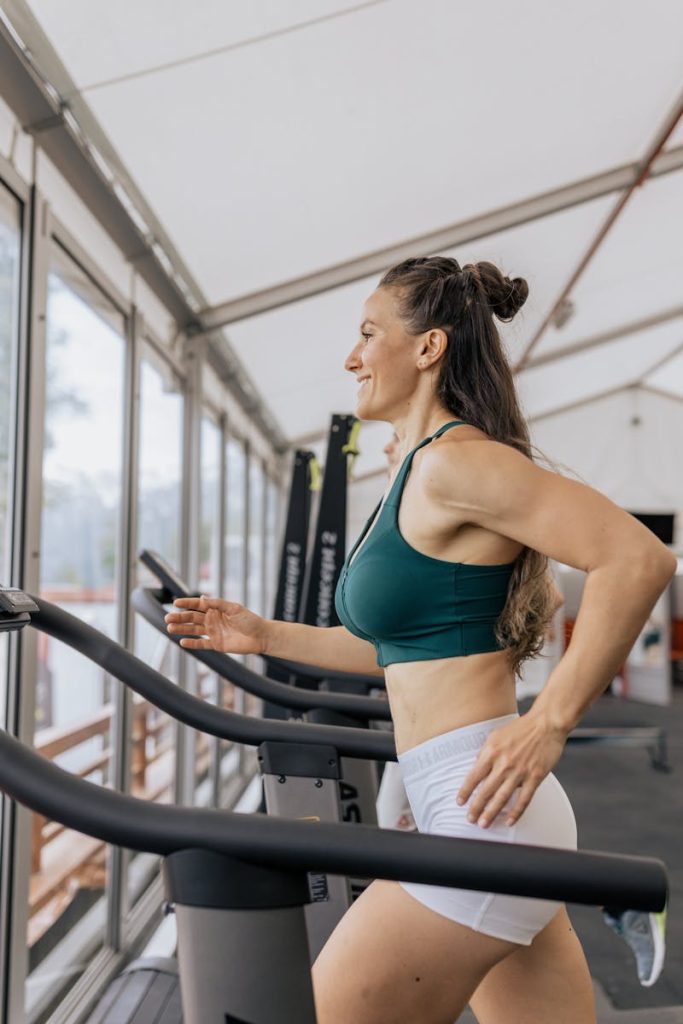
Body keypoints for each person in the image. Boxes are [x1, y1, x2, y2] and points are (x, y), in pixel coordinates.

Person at [165, 255, 676, 1024]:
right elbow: (396, 652)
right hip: (475, 805)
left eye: (368, 334)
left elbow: (637, 557)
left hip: (484, 812)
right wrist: (260, 633)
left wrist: (550, 721)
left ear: (428, 348)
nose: (350, 356)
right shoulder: (418, 470)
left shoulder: (456, 465)